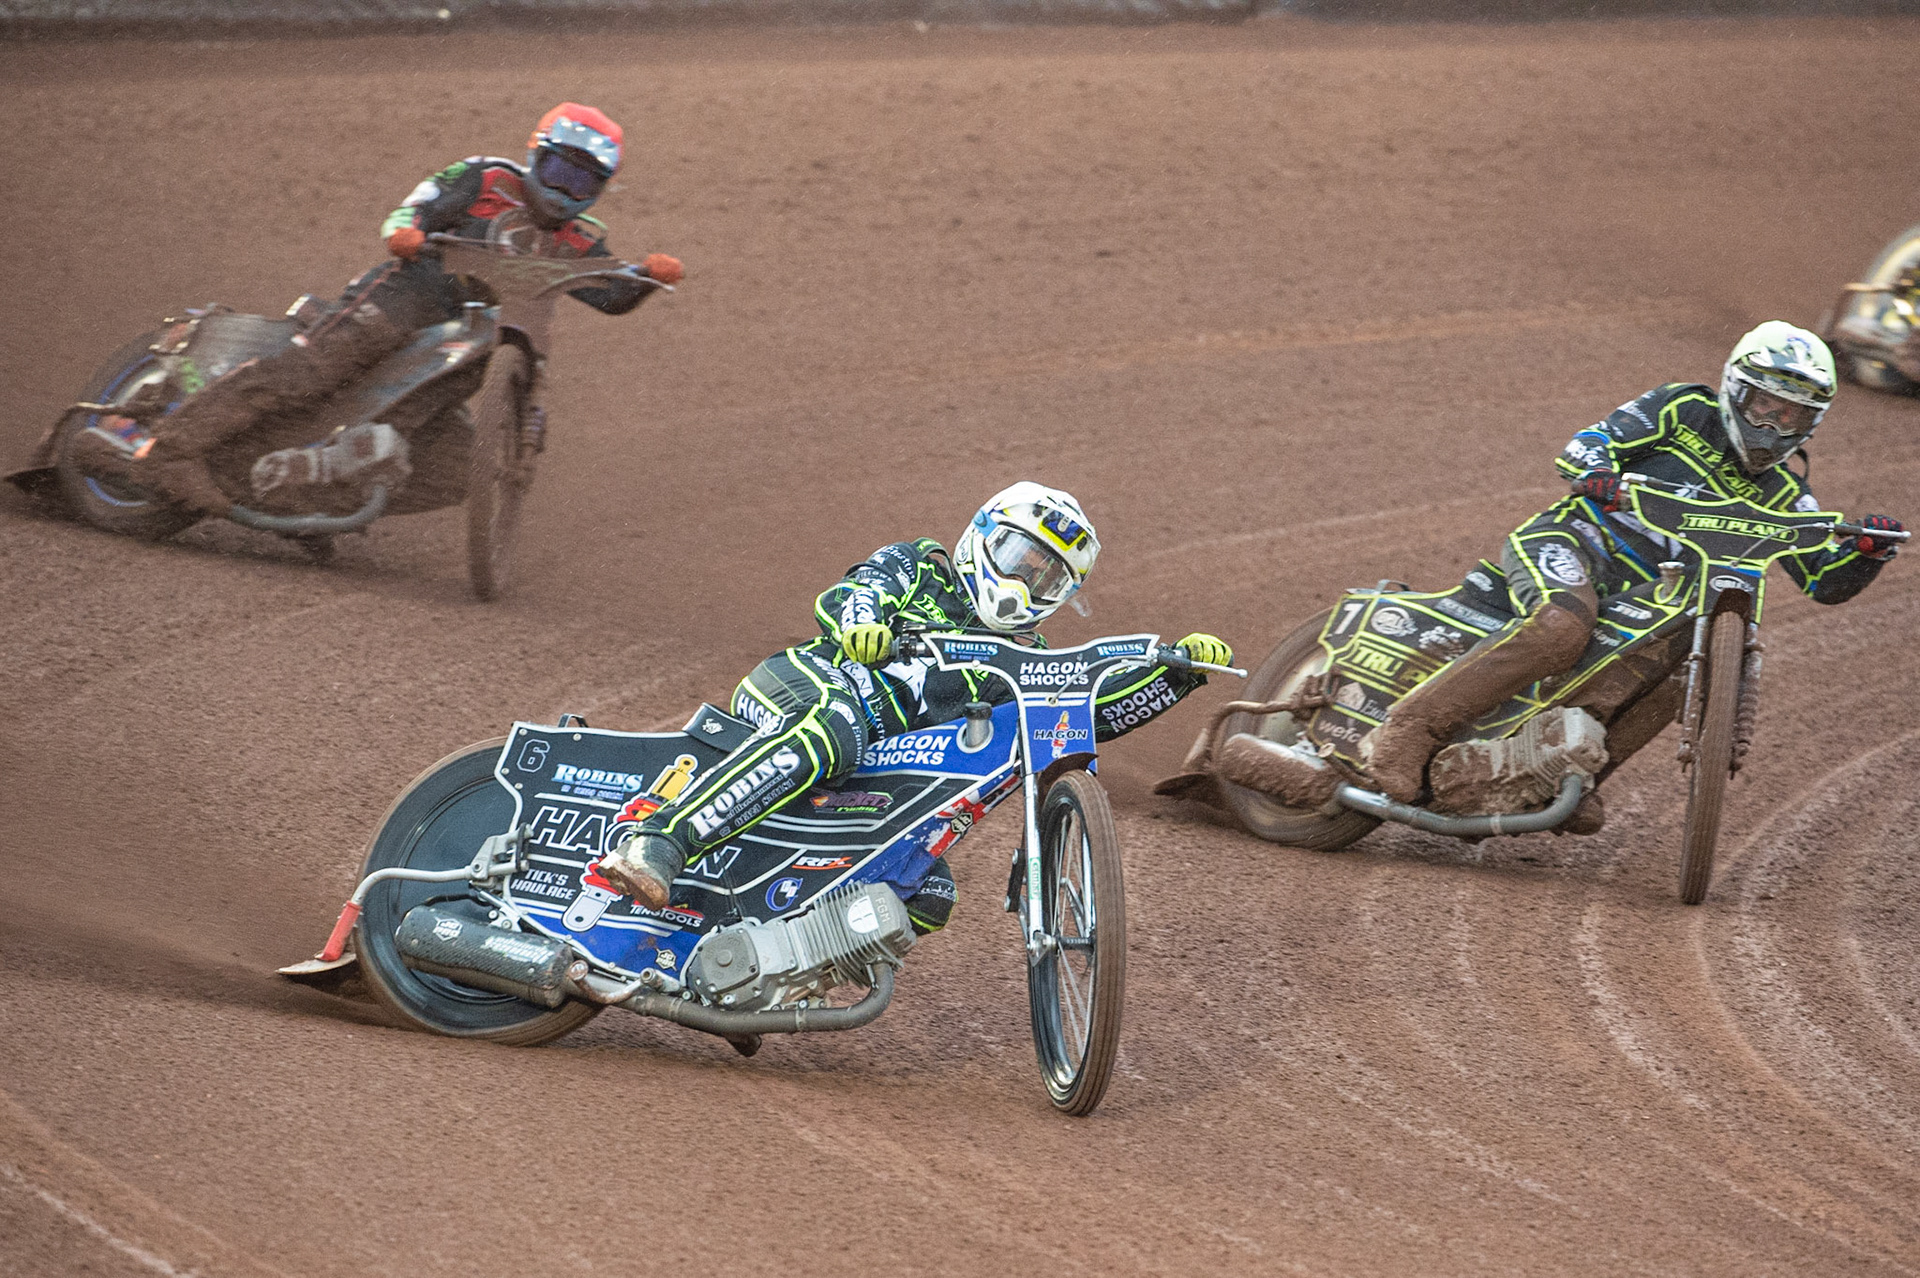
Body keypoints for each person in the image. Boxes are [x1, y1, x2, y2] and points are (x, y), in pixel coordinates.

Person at [596, 481, 1233, 920]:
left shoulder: (1026, 655)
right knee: (834, 730)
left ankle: (763, 961)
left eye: (1049, 578)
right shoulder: (920, 566)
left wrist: (1176, 674)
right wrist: (863, 626)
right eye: (1022, 558)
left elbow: (1084, 714)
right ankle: (660, 841)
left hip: (873, 766)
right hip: (808, 686)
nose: (1027, 583)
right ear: (984, 535)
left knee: (926, 893)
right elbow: (857, 592)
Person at [1362, 321, 1905, 811]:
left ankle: (1574, 781)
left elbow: (1823, 580)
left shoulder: (1786, 492)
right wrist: (1597, 470)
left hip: (1645, 599)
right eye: (1765, 405)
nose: (1773, 425)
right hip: (1575, 542)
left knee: (1680, 675)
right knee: (1561, 627)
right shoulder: (1682, 410)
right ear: (1737, 391)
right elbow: (1590, 442)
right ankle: (1409, 729)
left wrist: (1869, 552)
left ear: (1812, 422)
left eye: (1792, 415)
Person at [142, 102, 683, 515]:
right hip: (410, 294)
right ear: (535, 155)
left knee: (460, 469)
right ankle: (174, 450)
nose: (566, 191)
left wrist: (646, 279)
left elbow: (607, 293)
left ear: (600, 191)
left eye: (583, 181)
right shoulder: (486, 178)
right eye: (560, 170)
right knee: (313, 372)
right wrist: (406, 234)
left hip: (476, 341)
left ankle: (301, 497)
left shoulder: (578, 240)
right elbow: (417, 207)